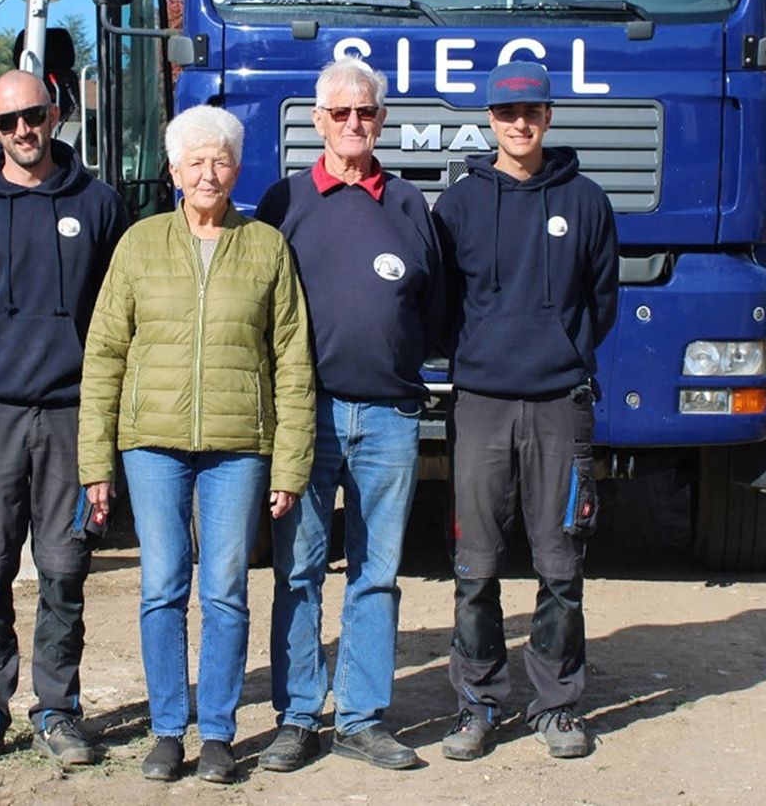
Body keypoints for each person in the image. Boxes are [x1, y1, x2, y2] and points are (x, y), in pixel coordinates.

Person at [78, 105, 315, 784]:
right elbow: (105, 354)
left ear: (236, 170)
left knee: (225, 590)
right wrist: (96, 459)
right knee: (161, 586)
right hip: (151, 443)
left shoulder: (266, 247)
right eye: (196, 161)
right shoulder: (139, 244)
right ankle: (166, 730)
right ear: (174, 170)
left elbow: (293, 360)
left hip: (239, 447)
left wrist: (290, 462)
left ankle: (216, 732)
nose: (209, 173)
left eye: (221, 160)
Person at [0, 69, 131, 767]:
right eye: (8, 121)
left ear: (56, 114)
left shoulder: (99, 204)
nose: (24, 130)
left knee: (64, 570)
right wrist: (1, 361)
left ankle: (58, 710)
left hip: (72, 417)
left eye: (34, 115)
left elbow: (115, 313)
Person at [253, 58, 445, 772]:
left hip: (391, 416)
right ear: (318, 121)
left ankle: (361, 718)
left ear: (382, 121)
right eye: (341, 113)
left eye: (366, 112)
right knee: (298, 569)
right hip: (307, 418)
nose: (354, 123)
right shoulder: (284, 201)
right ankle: (298, 716)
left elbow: (434, 308)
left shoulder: (409, 205)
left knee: (377, 573)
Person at [431, 61, 619, 760]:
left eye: (531, 111)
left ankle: (558, 705)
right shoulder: (458, 206)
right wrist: (479, 358)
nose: (520, 123)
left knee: (561, 564)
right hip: (480, 404)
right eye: (507, 113)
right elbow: (441, 307)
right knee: (475, 565)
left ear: (548, 116)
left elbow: (602, 302)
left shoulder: (587, 201)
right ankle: (477, 703)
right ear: (490, 119)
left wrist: (557, 352)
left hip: (559, 406)